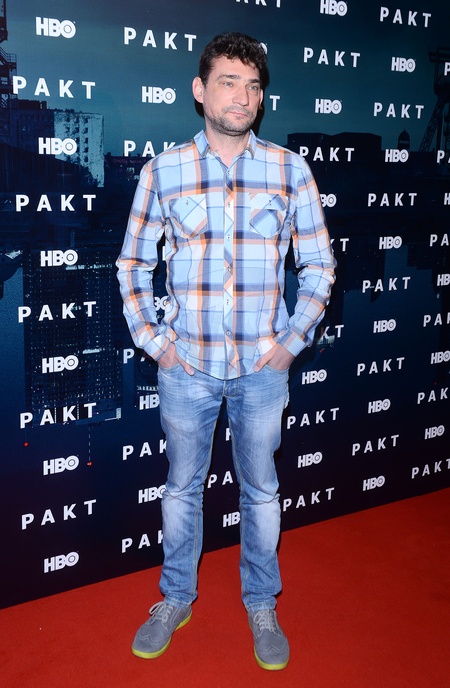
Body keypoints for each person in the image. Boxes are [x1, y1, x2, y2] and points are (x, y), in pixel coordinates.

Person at [116, 31, 336, 671]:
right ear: (200, 90)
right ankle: (174, 598)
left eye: (253, 86)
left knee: (261, 491)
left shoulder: (290, 171)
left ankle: (262, 603)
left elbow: (319, 267)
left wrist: (290, 344)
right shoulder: (163, 172)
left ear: (262, 98)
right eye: (229, 82)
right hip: (187, 368)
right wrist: (156, 344)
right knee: (181, 489)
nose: (242, 97)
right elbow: (132, 265)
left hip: (263, 371)